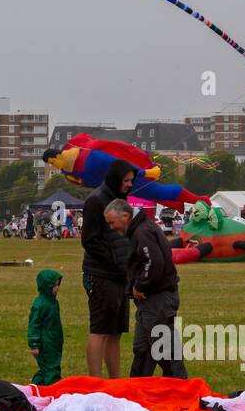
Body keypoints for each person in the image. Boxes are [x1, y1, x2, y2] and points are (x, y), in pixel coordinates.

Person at [105, 199, 187, 378]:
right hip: (152, 302)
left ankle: (180, 388)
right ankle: (136, 389)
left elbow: (153, 262)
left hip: (157, 300)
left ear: (125, 216)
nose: (112, 228)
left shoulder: (142, 232)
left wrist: (140, 284)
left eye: (112, 223)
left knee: (165, 351)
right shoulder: (140, 230)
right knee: (143, 349)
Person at [80, 159, 136, 378]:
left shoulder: (121, 201)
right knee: (100, 330)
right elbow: (90, 240)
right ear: (115, 179)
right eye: (126, 181)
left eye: (131, 181)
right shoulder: (95, 200)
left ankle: (115, 382)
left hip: (120, 275)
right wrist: (114, 260)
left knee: (116, 331)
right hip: (101, 275)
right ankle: (95, 381)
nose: (129, 185)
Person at [27, 268, 64, 385]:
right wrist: (34, 344)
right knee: (51, 369)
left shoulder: (53, 302)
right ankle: (53, 388)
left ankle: (35, 386)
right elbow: (34, 324)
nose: (57, 288)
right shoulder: (40, 304)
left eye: (58, 285)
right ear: (46, 286)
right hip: (45, 343)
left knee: (46, 369)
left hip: (54, 342)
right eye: (54, 285)